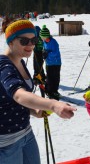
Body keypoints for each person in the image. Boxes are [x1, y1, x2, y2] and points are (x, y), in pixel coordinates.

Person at [0, 19, 76, 164]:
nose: (31, 45)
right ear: (10, 42)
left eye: (34, 40)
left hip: (26, 134)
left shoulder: (20, 60)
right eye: (24, 41)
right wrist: (52, 104)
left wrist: (35, 110)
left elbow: (13, 101)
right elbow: (18, 94)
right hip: (6, 143)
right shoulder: (3, 65)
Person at [40, 25, 62, 100]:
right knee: (49, 77)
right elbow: (45, 49)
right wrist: (44, 53)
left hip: (56, 63)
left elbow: (55, 52)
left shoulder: (54, 42)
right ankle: (49, 90)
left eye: (42, 37)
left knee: (55, 77)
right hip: (49, 63)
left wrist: (47, 53)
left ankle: (54, 90)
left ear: (46, 36)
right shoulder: (44, 42)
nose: (41, 38)